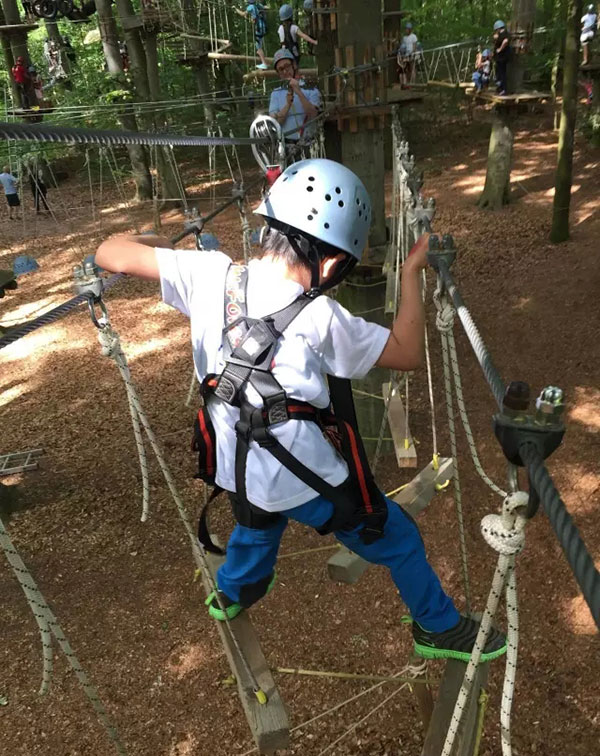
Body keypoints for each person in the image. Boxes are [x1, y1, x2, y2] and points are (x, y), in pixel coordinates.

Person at [95, 158, 508, 666]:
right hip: (305, 477)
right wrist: (410, 273)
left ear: (268, 225)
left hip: (233, 464)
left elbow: (109, 253)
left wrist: (161, 247)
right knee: (396, 537)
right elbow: (405, 352)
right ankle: (438, 626)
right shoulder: (321, 315)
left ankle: (233, 593)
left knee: (256, 519)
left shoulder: (206, 272)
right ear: (333, 265)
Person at [269, 49, 321, 158]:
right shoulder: (276, 94)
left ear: (294, 65)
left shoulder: (310, 89)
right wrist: (287, 105)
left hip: (310, 146)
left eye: (287, 66)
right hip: (286, 148)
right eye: (280, 69)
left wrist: (298, 91)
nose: (284, 71)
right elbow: (275, 124)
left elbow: (313, 115)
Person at [235, 2, 269, 70]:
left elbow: (242, 14)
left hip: (259, 28)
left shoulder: (250, 7)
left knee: (258, 48)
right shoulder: (258, 5)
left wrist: (235, 9)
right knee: (259, 44)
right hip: (263, 27)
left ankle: (264, 63)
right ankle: (264, 62)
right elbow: (266, 8)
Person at [493, 19, 511, 95]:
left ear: (498, 28)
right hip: (499, 58)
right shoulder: (500, 34)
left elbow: (505, 41)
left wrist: (500, 49)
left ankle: (504, 89)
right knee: (498, 73)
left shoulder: (504, 33)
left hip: (502, 57)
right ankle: (500, 87)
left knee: (502, 73)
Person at [398, 22, 419, 86]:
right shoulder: (404, 38)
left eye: (407, 29)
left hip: (411, 54)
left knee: (412, 68)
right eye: (406, 29)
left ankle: (413, 82)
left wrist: (413, 53)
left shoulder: (413, 36)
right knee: (406, 69)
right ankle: (408, 82)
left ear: (410, 29)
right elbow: (403, 46)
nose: (406, 30)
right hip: (406, 55)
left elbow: (414, 46)